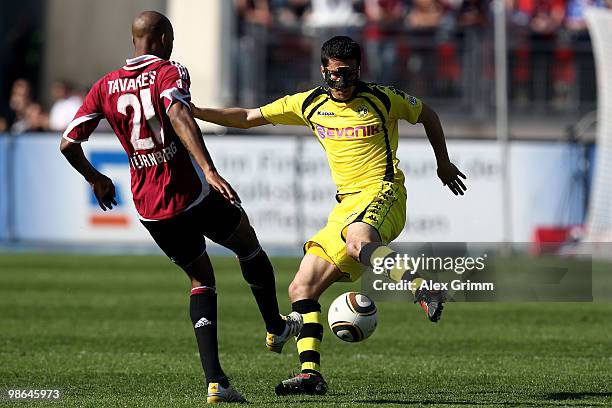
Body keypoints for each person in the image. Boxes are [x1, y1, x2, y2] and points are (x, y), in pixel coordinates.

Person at [191, 36, 467, 395]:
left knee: (357, 241)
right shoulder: (309, 103)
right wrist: (193, 112)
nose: (342, 80)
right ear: (324, 70)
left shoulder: (382, 98)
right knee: (301, 287)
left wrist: (442, 163)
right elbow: (246, 117)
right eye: (335, 73)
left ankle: (423, 288)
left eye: (349, 72)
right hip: (346, 206)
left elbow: (427, 114)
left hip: (383, 191)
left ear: (359, 69)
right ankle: (310, 375)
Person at [59, 11, 301, 404]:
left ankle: (217, 382)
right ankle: (275, 326)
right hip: (190, 192)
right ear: (164, 39)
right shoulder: (169, 73)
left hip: (150, 207)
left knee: (201, 279)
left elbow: (68, 143)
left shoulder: (104, 86)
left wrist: (95, 177)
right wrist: (210, 170)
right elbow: (178, 113)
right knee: (247, 241)